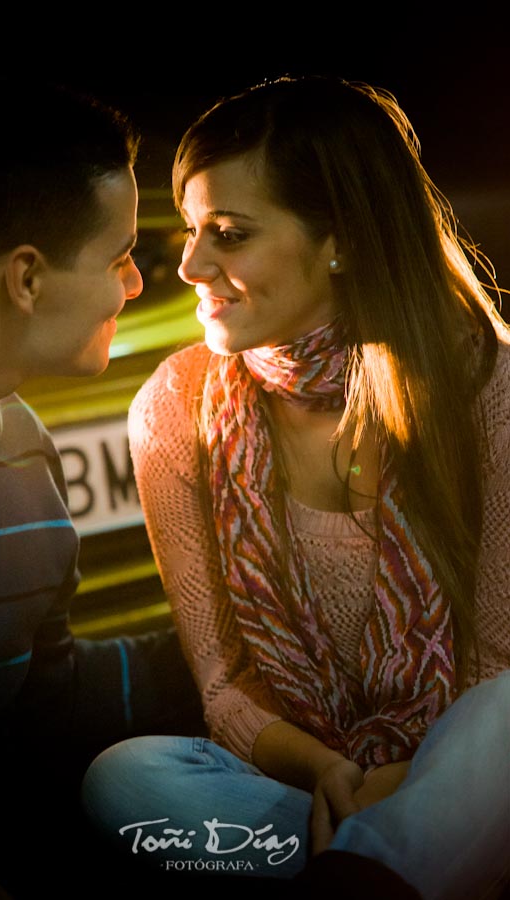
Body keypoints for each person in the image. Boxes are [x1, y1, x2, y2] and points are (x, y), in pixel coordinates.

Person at [81, 75, 510, 899]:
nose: (190, 264)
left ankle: (375, 864)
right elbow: (223, 682)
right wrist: (337, 774)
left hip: (468, 767)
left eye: (230, 235)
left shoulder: (488, 388)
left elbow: (494, 662)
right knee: (128, 778)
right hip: (304, 789)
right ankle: (383, 866)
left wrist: (418, 784)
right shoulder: (175, 407)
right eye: (193, 229)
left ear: (339, 239)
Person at [0, 77, 201, 898]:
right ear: (26, 278)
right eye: (117, 259)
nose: (137, 285)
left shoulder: (20, 440)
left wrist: (253, 641)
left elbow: (44, 698)